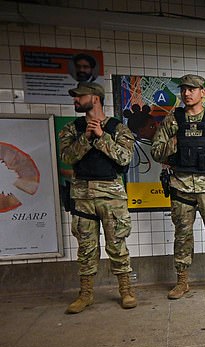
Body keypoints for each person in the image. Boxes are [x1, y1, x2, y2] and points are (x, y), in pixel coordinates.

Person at [151, 74, 205, 298]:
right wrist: (175, 142)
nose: (186, 93)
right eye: (184, 89)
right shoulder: (172, 121)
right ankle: (182, 282)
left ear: (203, 92)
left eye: (192, 89)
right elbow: (155, 151)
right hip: (181, 187)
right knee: (182, 235)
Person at [58, 82, 137, 313]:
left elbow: (124, 159)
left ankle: (126, 290)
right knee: (86, 248)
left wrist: (102, 137)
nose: (75, 100)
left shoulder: (118, 128)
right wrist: (86, 137)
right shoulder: (72, 129)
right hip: (82, 196)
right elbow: (66, 157)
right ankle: (85, 294)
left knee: (117, 246)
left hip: (111, 195)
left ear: (94, 98)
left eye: (79, 96)